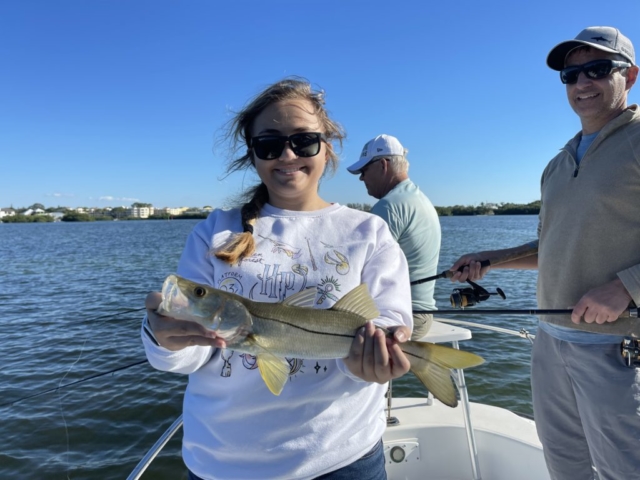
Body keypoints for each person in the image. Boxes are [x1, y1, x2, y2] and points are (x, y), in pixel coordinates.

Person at [141, 78, 413, 480]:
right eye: (269, 144)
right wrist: (163, 339)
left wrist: (380, 362)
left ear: (328, 147)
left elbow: (389, 321)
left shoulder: (368, 233)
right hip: (220, 462)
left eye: (303, 141)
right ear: (253, 155)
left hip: (342, 458)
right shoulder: (214, 232)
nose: (287, 154)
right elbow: (190, 356)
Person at [449, 26, 640, 480]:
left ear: (629, 76)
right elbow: (552, 247)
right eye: (570, 75)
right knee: (564, 466)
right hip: (550, 342)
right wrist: (491, 258)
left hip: (617, 348)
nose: (582, 83)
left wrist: (625, 287)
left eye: (597, 69)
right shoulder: (557, 163)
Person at [347, 134, 441, 340]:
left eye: (363, 170)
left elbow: (357, 272)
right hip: (422, 313)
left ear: (383, 165)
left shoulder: (389, 207)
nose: (361, 178)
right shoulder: (419, 198)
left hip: (403, 319)